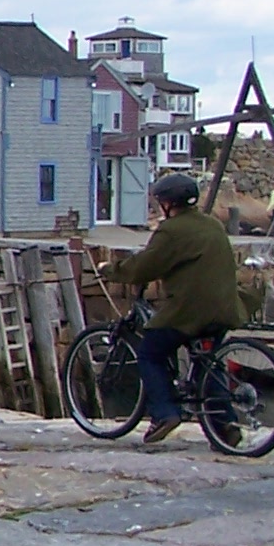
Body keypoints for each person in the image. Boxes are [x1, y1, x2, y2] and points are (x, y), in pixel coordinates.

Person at [106, 172, 249, 443]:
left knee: (150, 353)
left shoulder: (171, 230)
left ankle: (165, 414)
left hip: (192, 311)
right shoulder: (212, 224)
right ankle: (225, 427)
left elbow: (146, 265)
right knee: (207, 363)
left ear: (168, 203)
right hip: (225, 308)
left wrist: (112, 270)